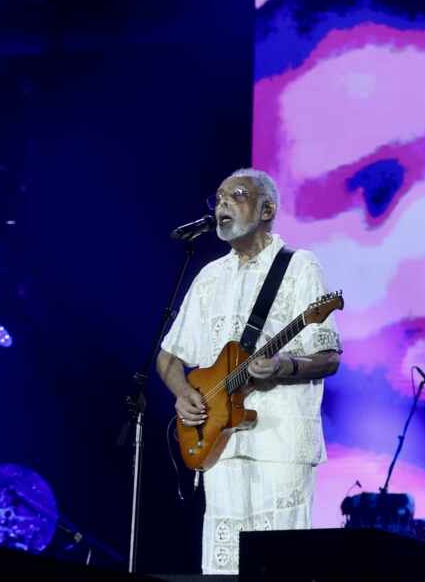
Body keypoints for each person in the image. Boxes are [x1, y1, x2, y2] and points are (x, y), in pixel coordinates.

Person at [156, 168, 342, 574]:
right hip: (220, 443)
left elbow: (329, 357)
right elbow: (168, 357)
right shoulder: (208, 277)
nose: (222, 204)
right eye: (218, 198)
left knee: (280, 566)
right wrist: (182, 392)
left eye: (236, 195)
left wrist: (285, 365)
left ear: (266, 209)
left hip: (281, 442)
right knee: (224, 568)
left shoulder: (300, 266)